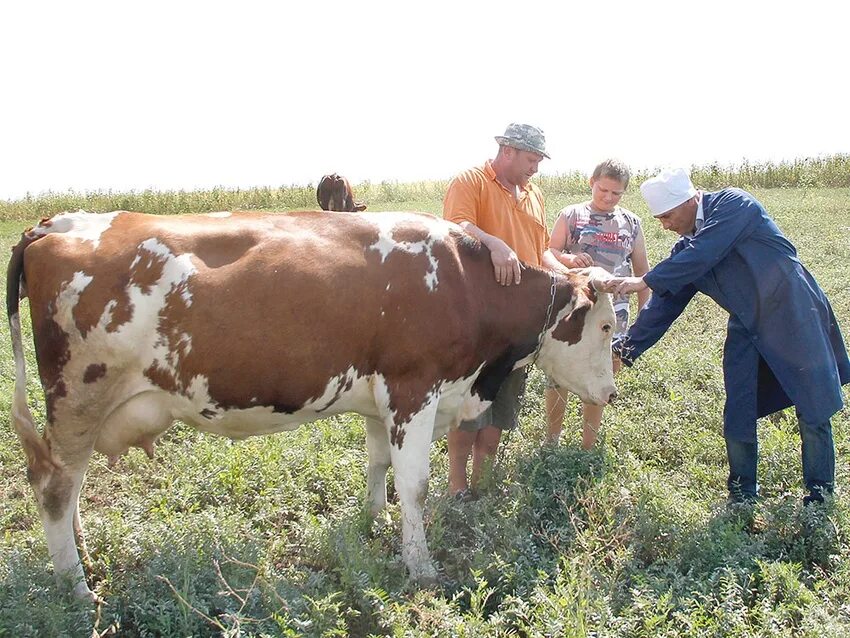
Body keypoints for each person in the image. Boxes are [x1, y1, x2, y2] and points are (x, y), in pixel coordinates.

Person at [606, 167, 849, 505]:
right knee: (739, 405)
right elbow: (664, 305)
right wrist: (624, 349)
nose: (665, 225)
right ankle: (742, 494)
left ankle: (820, 496)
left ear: (691, 201)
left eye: (668, 216)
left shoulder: (734, 205)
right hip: (747, 322)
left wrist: (643, 280)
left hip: (792, 311)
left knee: (812, 404)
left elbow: (704, 252)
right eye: (659, 218)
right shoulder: (687, 250)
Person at [443, 123, 566, 498]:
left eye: (539, 161)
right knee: (469, 404)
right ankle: (456, 485)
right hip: (479, 321)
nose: (536, 168)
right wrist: (493, 243)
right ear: (508, 151)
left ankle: (483, 483)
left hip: (522, 324)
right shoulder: (472, 180)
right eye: (531, 159)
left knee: (502, 403)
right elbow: (454, 227)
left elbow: (540, 249)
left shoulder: (534, 194)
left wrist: (567, 270)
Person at [545, 159, 650, 449]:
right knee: (559, 377)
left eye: (616, 193)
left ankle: (588, 446)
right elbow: (549, 252)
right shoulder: (572, 215)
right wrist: (567, 260)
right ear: (591, 182)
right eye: (603, 190)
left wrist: (644, 319)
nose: (608, 197)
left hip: (613, 317)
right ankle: (551, 441)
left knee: (600, 380)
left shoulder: (631, 223)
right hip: (573, 314)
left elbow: (643, 273)